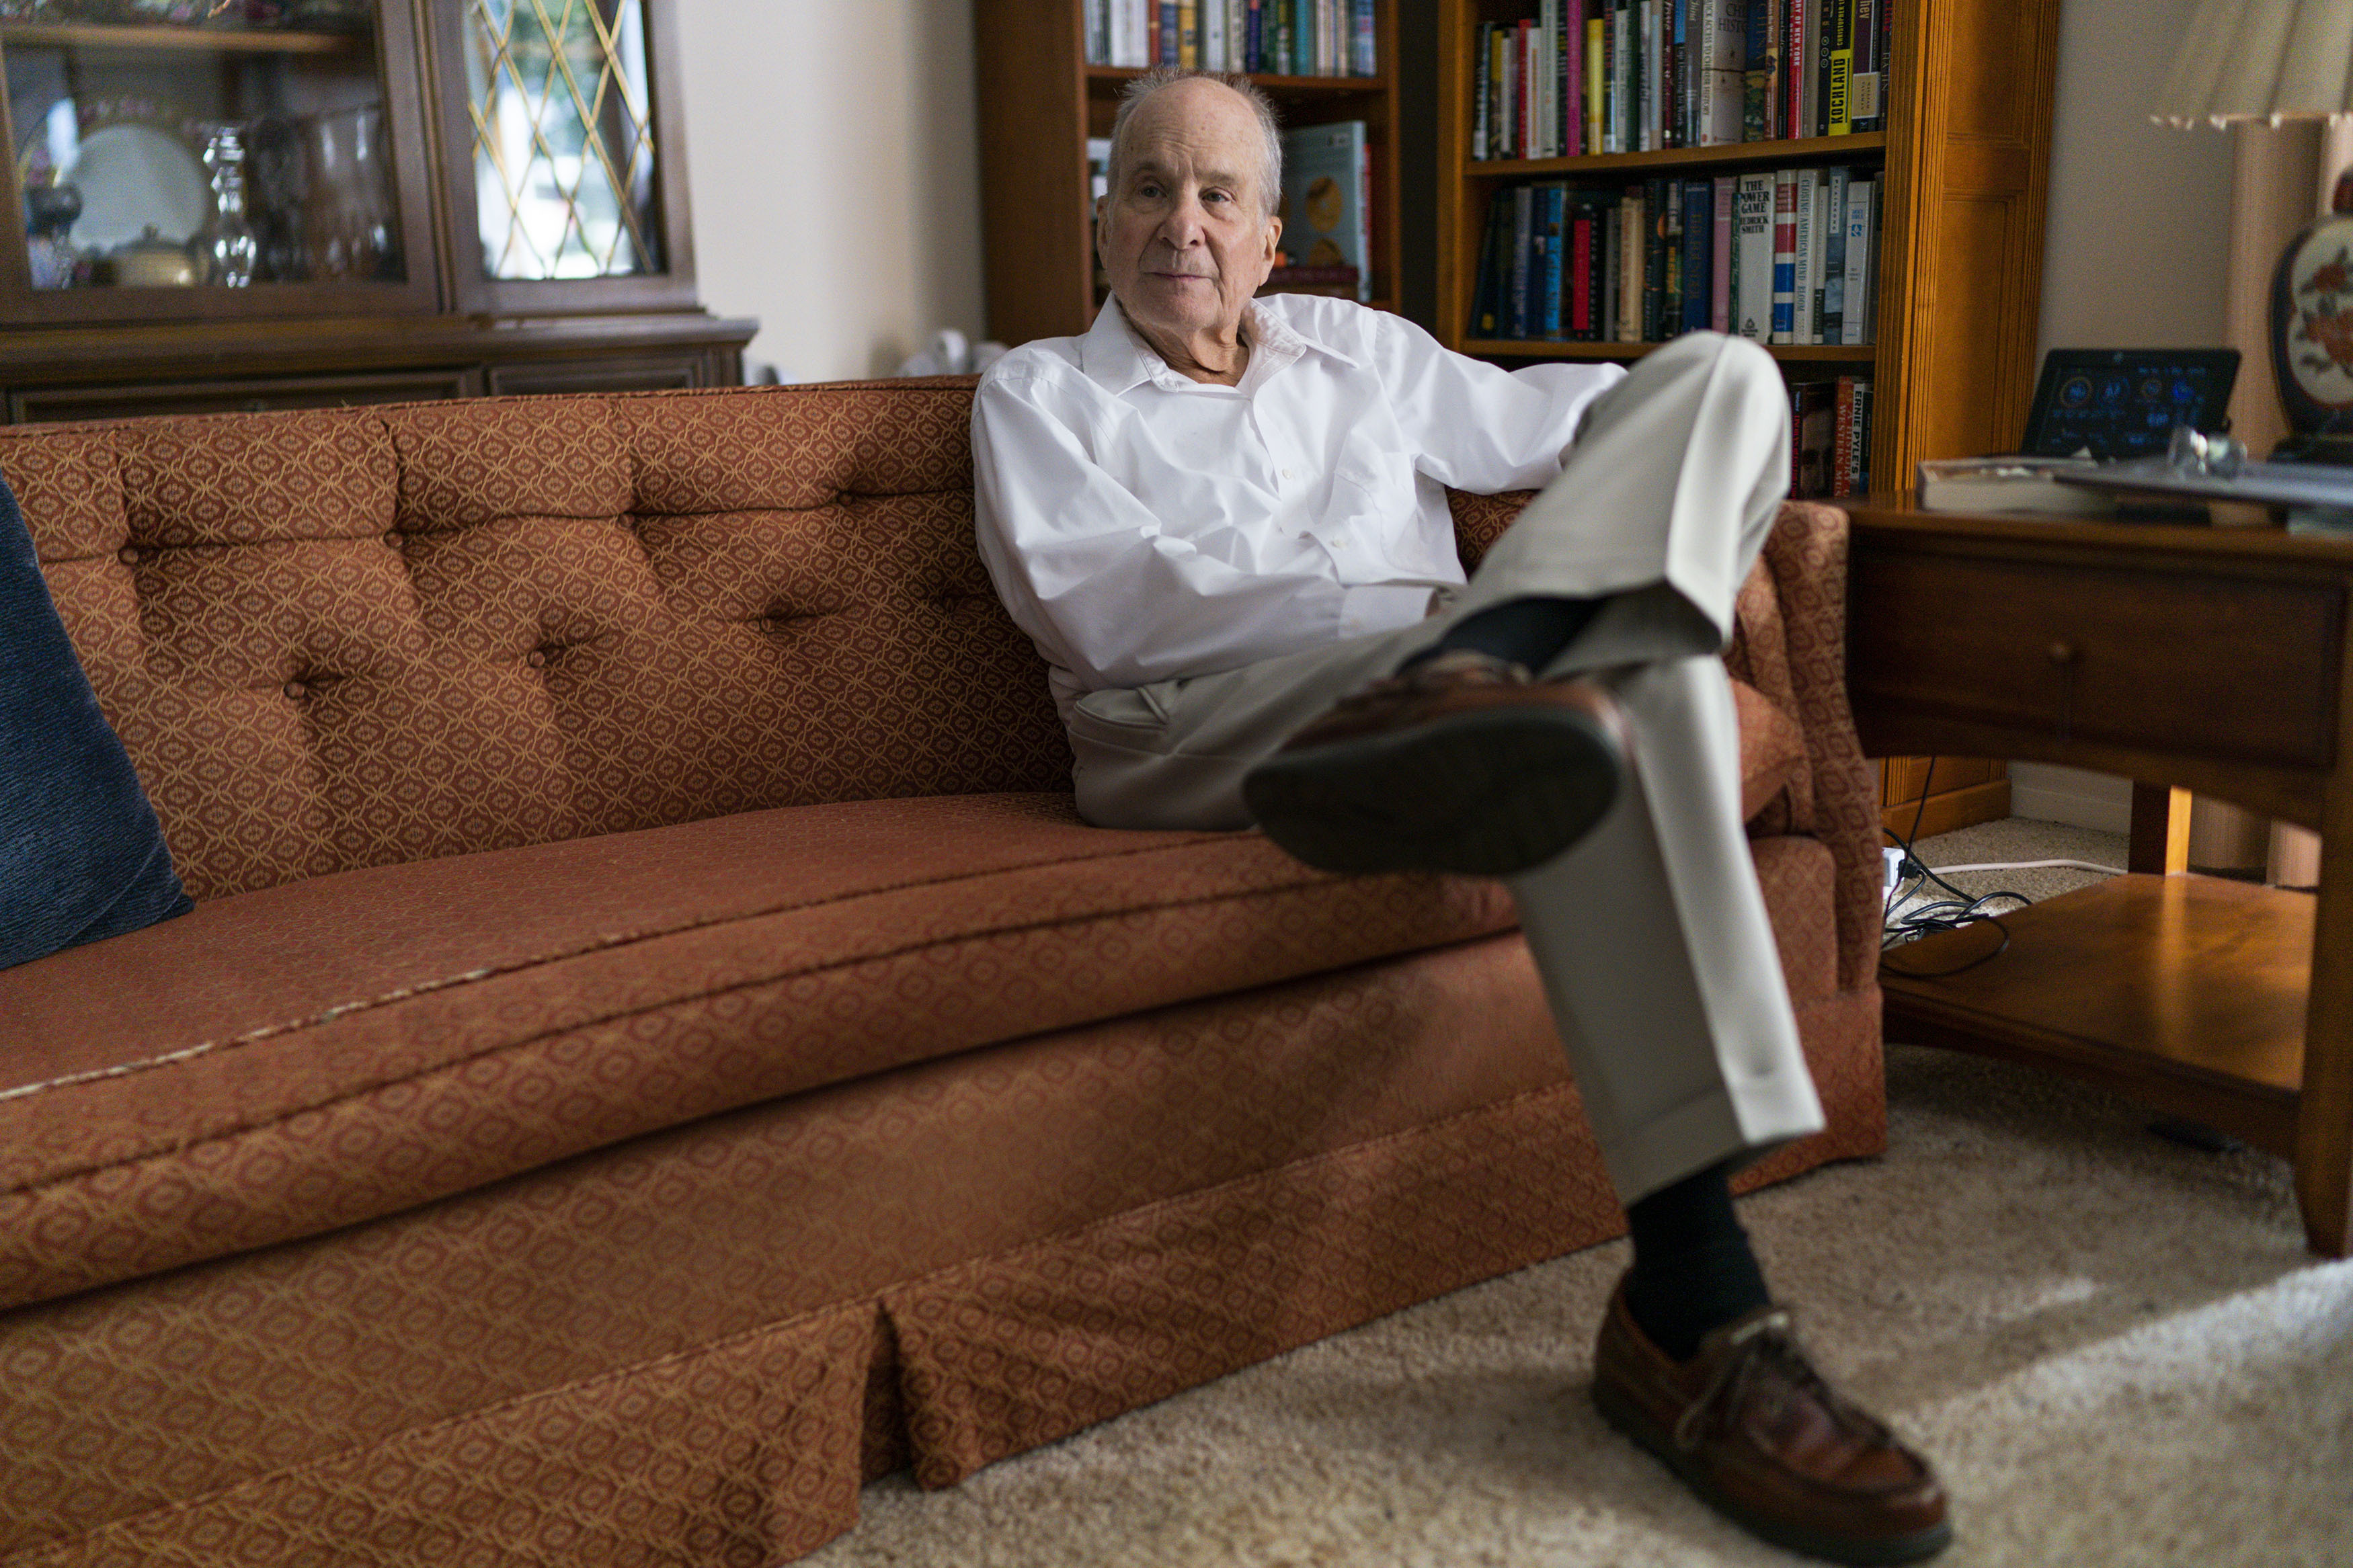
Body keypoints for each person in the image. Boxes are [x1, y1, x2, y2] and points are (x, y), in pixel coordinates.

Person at [971, 67, 1948, 1567]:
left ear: (1270, 235)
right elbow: (1116, 615)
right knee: (1619, 671)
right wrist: (1435, 619)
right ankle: (1694, 1298)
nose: (1182, 222)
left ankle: (1701, 1287)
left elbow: (1564, 423)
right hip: (1187, 727)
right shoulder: (1036, 393)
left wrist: (1653, 478)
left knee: (1725, 383)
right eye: (1147, 187)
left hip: (1436, 676)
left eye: (1217, 193)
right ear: (1100, 218)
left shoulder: (1362, 355)